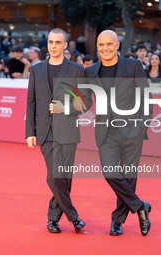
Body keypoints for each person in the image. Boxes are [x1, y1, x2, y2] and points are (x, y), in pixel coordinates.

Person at [83, 30, 152, 236]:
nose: (105, 48)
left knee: (129, 177)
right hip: (106, 132)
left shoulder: (132, 66)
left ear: (117, 46)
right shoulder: (91, 71)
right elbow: (85, 100)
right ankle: (140, 207)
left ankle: (117, 221)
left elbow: (145, 94)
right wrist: (64, 107)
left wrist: (144, 124)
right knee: (110, 173)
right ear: (97, 46)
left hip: (132, 129)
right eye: (101, 44)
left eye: (109, 44)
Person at [25, 28, 91, 234]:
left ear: (65, 45)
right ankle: (74, 217)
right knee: (54, 175)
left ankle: (53, 219)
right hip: (45, 131)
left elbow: (86, 101)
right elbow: (31, 102)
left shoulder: (76, 70)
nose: (53, 46)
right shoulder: (36, 70)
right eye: (50, 42)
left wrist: (66, 108)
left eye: (57, 42)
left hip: (68, 129)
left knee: (64, 177)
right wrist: (30, 132)